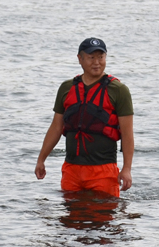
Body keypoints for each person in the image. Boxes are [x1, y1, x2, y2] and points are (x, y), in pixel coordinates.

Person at [35, 37, 134, 197]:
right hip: (71, 170)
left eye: (101, 57)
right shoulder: (67, 88)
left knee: (102, 218)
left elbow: (127, 134)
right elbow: (56, 127)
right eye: (91, 57)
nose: (97, 62)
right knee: (70, 219)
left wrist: (126, 169)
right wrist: (41, 159)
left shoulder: (118, 90)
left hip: (103, 170)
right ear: (80, 59)